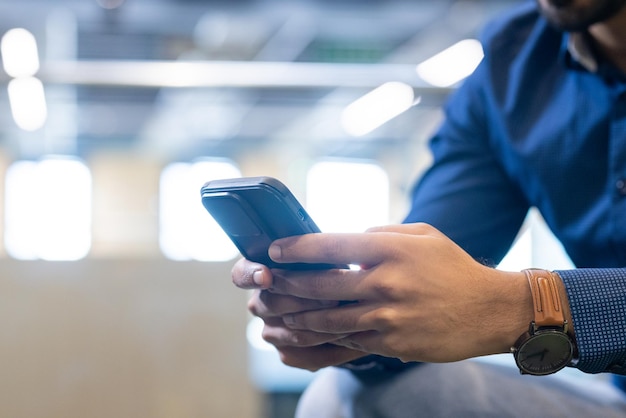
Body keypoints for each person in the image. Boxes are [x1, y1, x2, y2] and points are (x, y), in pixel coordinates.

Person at [232, 0, 626, 416]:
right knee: (346, 396)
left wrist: (528, 306)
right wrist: (347, 322)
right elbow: (433, 267)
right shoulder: (512, 63)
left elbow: (501, 306)